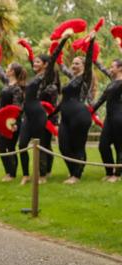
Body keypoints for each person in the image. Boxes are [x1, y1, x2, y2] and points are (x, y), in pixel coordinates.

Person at [50, 32, 96, 184]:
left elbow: (89, 60)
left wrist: (91, 41)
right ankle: (72, 172)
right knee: (63, 146)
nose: (74, 65)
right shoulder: (72, 79)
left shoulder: (85, 78)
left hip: (80, 115)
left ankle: (76, 175)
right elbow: (64, 100)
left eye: (77, 63)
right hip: (66, 116)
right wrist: (52, 113)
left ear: (84, 66)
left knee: (78, 146)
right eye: (73, 63)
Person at [18, 37, 64, 185]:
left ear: (45, 65)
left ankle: (43, 174)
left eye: (38, 62)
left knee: (43, 145)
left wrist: (64, 39)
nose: (34, 63)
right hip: (28, 116)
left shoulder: (46, 78)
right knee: (21, 145)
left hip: (39, 114)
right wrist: (26, 46)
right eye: (35, 61)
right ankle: (25, 175)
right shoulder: (34, 77)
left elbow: (54, 58)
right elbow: (30, 58)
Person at [0, 57, 26, 182]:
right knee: (1, 147)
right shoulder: (7, 82)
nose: (6, 69)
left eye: (8, 67)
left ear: (12, 71)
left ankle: (11, 174)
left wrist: (12, 122)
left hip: (12, 121)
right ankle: (8, 171)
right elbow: (0, 72)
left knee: (10, 147)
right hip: (2, 120)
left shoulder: (17, 88)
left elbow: (17, 107)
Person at [91, 59, 122, 183]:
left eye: (112, 66)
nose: (110, 69)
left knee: (120, 147)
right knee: (103, 145)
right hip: (109, 118)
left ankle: (117, 174)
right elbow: (102, 99)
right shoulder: (112, 82)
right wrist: (90, 111)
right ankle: (109, 172)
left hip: (120, 117)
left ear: (120, 68)